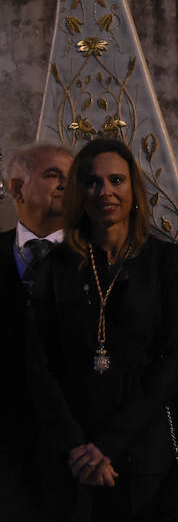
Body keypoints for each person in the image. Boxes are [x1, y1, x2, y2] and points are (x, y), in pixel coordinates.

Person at [27, 138, 178, 521]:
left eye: (116, 180)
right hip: (71, 454)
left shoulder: (170, 264)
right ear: (78, 193)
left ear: (134, 188)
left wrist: (108, 444)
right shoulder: (54, 268)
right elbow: (39, 364)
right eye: (92, 182)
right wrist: (76, 446)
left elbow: (172, 362)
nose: (106, 191)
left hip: (143, 451)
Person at [1, 144, 72, 520]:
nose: (66, 184)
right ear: (16, 188)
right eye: (52, 175)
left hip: (73, 447)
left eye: (71, 177)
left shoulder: (97, 260)